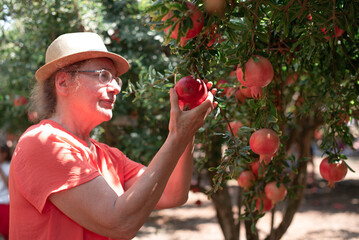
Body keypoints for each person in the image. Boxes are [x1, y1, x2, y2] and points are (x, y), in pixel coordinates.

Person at [9, 32, 217, 240]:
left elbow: (173, 193)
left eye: (116, 79)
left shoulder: (110, 157)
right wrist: (177, 136)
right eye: (103, 75)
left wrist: (186, 130)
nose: (116, 88)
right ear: (63, 82)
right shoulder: (42, 142)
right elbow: (119, 223)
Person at [0, 144, 11, 240]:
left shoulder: (9, 166)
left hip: (6, 202)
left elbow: (9, 185)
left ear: (5, 154)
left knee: (7, 232)